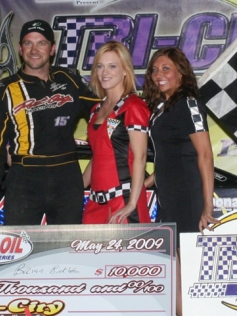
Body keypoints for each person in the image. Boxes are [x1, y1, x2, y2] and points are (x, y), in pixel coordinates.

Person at [0, 19, 98, 227]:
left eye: (41, 43)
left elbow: (102, 113)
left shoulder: (70, 79)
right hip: (24, 180)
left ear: (52, 49)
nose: (34, 50)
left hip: (67, 178)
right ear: (20, 48)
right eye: (28, 43)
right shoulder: (3, 89)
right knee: (20, 250)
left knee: (67, 251)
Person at [142, 47, 219, 316]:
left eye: (166, 69)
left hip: (188, 197)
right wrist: (148, 181)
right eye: (154, 70)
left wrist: (207, 206)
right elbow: (171, 153)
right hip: (169, 197)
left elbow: (205, 154)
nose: (159, 75)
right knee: (173, 264)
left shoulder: (188, 102)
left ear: (181, 73)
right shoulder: (163, 106)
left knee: (183, 265)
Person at [82, 41, 151, 224]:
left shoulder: (133, 106)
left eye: (112, 66)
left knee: (132, 253)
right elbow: (98, 154)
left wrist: (132, 203)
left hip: (124, 200)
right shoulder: (96, 109)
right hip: (95, 201)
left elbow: (140, 156)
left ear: (125, 71)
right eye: (100, 66)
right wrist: (78, 188)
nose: (105, 72)